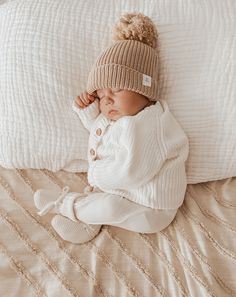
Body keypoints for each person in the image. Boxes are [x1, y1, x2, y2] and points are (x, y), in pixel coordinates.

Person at [33, 12, 189, 244]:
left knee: (109, 205)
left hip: (152, 207)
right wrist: (88, 112)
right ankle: (85, 225)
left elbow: (131, 171)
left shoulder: (150, 123)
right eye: (101, 94)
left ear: (142, 89)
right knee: (105, 202)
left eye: (115, 90)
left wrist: (95, 174)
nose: (106, 100)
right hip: (123, 190)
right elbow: (106, 136)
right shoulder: (126, 118)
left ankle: (66, 206)